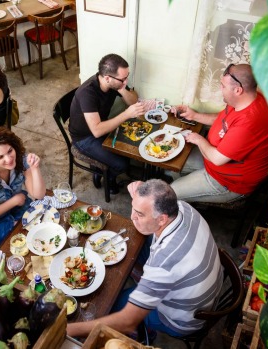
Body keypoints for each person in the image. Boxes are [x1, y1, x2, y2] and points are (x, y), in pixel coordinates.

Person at [67, 179, 223, 339]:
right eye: (133, 208)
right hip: (206, 288)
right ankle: (144, 282)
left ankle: (145, 334)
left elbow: (127, 321)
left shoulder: (164, 263)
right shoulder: (183, 207)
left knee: (110, 305)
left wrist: (68, 330)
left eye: (140, 214)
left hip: (183, 321)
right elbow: (154, 200)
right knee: (138, 242)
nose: (132, 217)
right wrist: (142, 199)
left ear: (162, 219)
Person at [171, 63, 268, 203]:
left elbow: (217, 159)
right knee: (170, 163)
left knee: (169, 195)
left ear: (238, 90)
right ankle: (185, 194)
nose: (220, 89)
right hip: (212, 158)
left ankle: (181, 202)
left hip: (227, 181)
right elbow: (224, 120)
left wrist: (198, 139)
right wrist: (194, 115)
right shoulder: (250, 98)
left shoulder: (249, 122)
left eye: (223, 86)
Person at [69, 53, 145, 193]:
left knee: (132, 147)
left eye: (127, 76)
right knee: (122, 164)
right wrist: (127, 114)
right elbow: (96, 131)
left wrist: (122, 89)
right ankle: (107, 179)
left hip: (100, 127)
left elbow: (133, 100)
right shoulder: (88, 93)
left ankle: (101, 169)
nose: (126, 81)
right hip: (84, 138)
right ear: (108, 78)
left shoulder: (115, 84)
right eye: (123, 78)